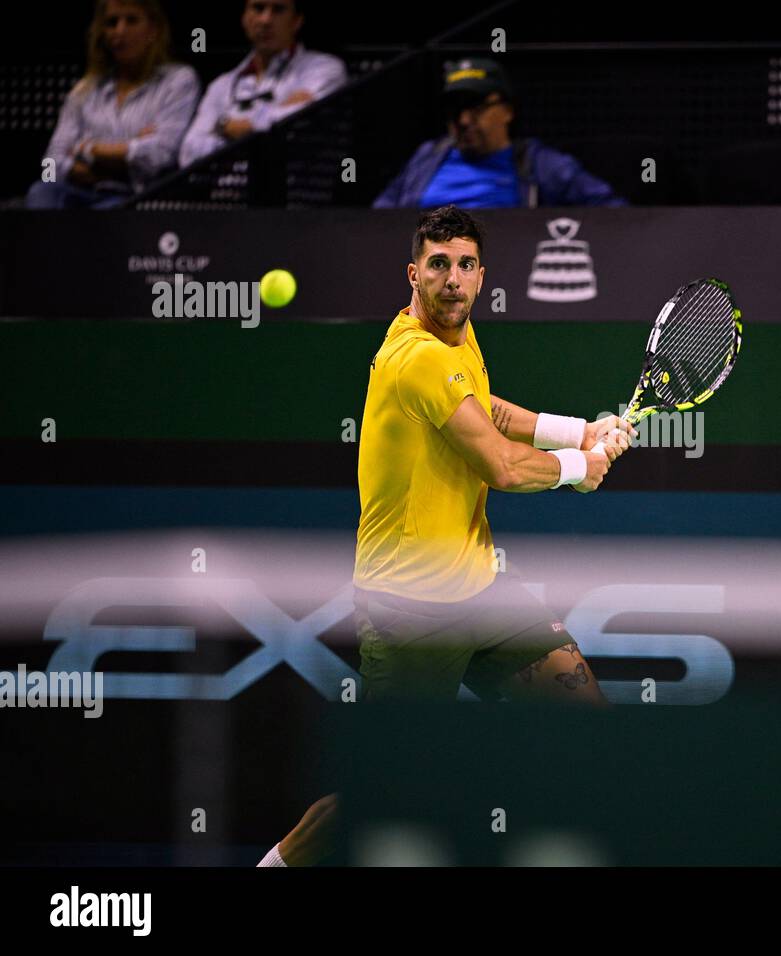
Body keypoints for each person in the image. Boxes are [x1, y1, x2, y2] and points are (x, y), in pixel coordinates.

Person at [257, 206, 632, 867]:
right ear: (413, 274)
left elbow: (482, 408)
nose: (452, 279)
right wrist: (582, 467)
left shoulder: (455, 340)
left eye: (464, 265)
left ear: (481, 276)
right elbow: (502, 464)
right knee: (378, 792)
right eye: (438, 265)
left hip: (483, 589)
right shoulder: (417, 358)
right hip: (411, 612)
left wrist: (578, 430)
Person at [373, 58, 626, 209]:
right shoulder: (428, 155)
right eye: (454, 110)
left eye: (476, 108)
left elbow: (612, 212)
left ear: (507, 111)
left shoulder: (538, 163)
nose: (463, 120)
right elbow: (380, 220)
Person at [26, 0, 199, 209]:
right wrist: (126, 150)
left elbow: (161, 154)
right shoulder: (84, 90)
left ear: (153, 30)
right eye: (112, 22)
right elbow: (49, 163)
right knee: (42, 190)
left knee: (105, 217)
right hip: (79, 190)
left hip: (137, 196)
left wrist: (86, 149)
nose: (120, 31)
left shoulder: (178, 80)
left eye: (131, 20)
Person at [179, 0, 345, 167]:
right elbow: (188, 154)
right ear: (244, 18)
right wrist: (229, 128)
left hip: (296, 188)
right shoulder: (221, 85)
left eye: (278, 10)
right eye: (258, 8)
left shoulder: (324, 69)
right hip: (226, 190)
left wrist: (222, 128)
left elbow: (293, 131)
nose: (265, 20)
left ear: (296, 21)